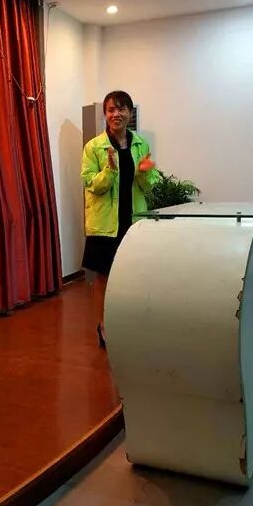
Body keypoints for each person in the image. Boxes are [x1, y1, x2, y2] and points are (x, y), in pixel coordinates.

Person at [81, 90, 161, 348]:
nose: (116, 114)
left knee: (132, 275)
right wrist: (109, 171)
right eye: (111, 110)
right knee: (103, 277)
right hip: (105, 224)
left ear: (129, 113)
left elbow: (149, 185)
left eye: (121, 108)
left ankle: (127, 323)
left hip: (133, 221)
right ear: (105, 115)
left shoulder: (140, 145)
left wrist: (145, 173)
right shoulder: (94, 147)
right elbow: (91, 185)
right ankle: (103, 326)